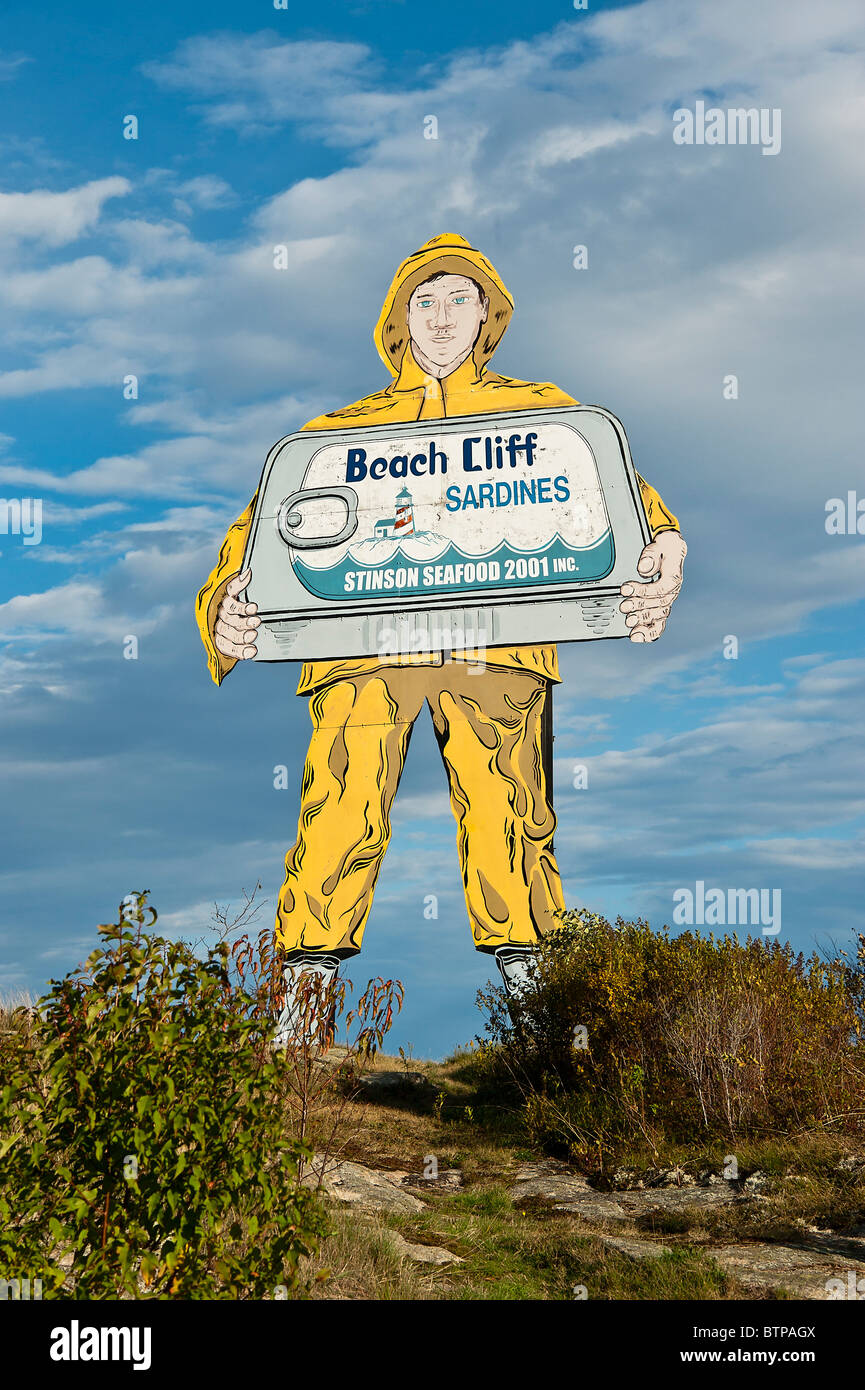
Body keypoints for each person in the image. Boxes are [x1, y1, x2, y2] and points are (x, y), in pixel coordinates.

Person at [196, 234, 686, 1041]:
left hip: (497, 645)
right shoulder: (336, 433)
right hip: (359, 648)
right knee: (337, 810)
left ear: (489, 314)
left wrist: (664, 546)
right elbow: (258, 534)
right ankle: (301, 1019)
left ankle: (538, 1015)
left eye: (461, 298)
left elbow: (614, 494)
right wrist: (227, 604)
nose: (442, 315)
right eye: (424, 300)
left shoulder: (540, 411)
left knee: (509, 809)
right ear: (398, 319)